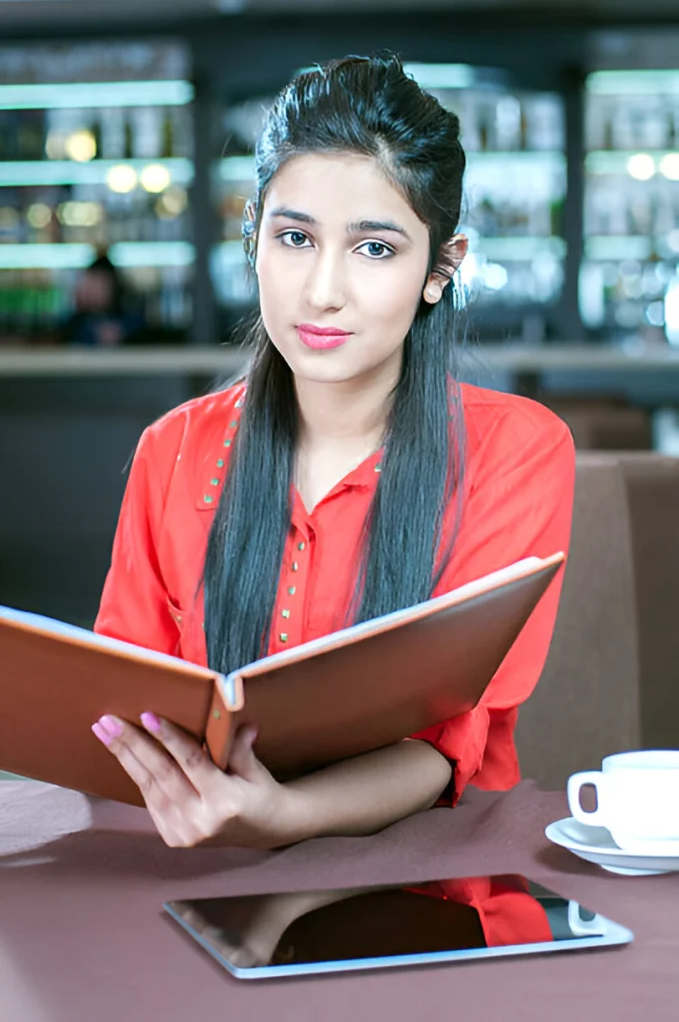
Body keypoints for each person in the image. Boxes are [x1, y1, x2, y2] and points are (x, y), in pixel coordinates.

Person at [92, 54, 575, 849]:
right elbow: (127, 716)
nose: (322, 290)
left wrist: (282, 816)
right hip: (195, 866)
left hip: (432, 878)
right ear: (253, 240)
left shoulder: (513, 451)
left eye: (374, 249)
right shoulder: (173, 449)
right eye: (293, 237)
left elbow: (448, 738)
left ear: (440, 267)